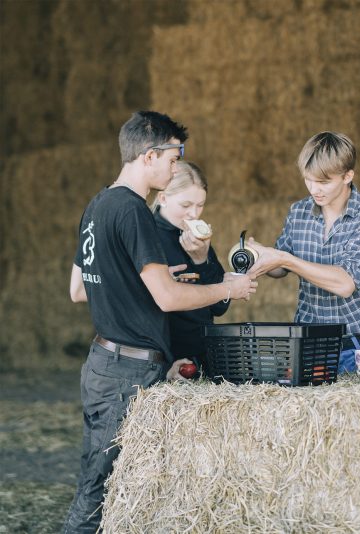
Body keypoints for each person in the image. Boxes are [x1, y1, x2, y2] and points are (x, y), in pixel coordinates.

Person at [64, 111, 258, 533]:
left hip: (103, 364)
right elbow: (167, 300)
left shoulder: (98, 204)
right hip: (126, 373)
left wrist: (153, 277)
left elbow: (80, 289)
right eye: (174, 158)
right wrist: (227, 289)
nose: (175, 167)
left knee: (109, 491)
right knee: (96, 498)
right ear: (150, 155)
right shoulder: (133, 211)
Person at [245, 131, 360, 373]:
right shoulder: (299, 212)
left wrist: (285, 258)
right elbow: (280, 269)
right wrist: (260, 256)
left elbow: (345, 283)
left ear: (348, 176)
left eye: (324, 182)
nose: (314, 189)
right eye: (308, 180)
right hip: (310, 350)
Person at [150, 161, 229, 366]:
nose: (194, 214)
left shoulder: (197, 237)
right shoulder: (148, 236)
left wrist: (202, 260)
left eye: (200, 205)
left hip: (202, 355)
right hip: (166, 359)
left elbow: (220, 306)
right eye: (186, 205)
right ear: (163, 198)